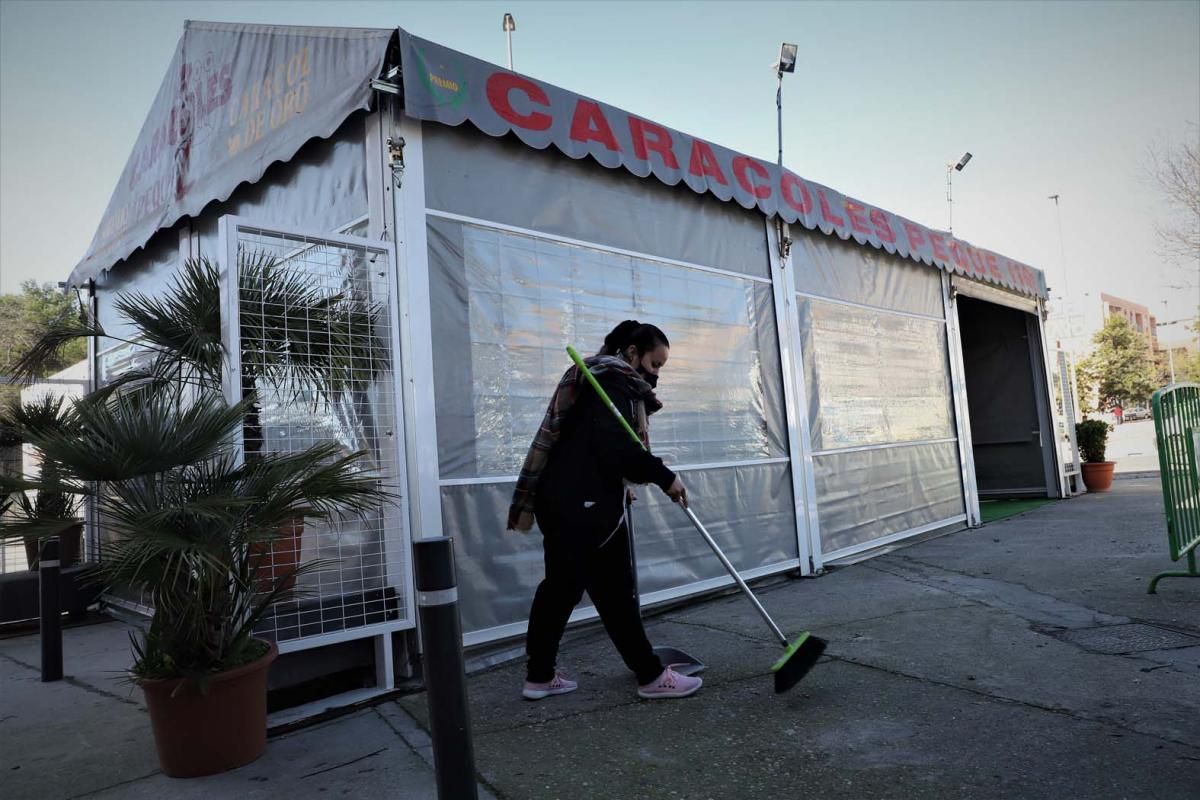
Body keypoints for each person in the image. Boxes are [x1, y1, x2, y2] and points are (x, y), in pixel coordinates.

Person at [507, 320, 701, 701]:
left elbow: (595, 449)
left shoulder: (599, 379)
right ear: (632, 354)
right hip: (584, 506)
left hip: (566, 500)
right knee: (609, 592)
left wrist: (624, 481)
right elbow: (618, 448)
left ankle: (541, 676)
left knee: (565, 591)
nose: (656, 373)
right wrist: (665, 477)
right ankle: (649, 675)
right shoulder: (613, 384)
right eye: (655, 364)